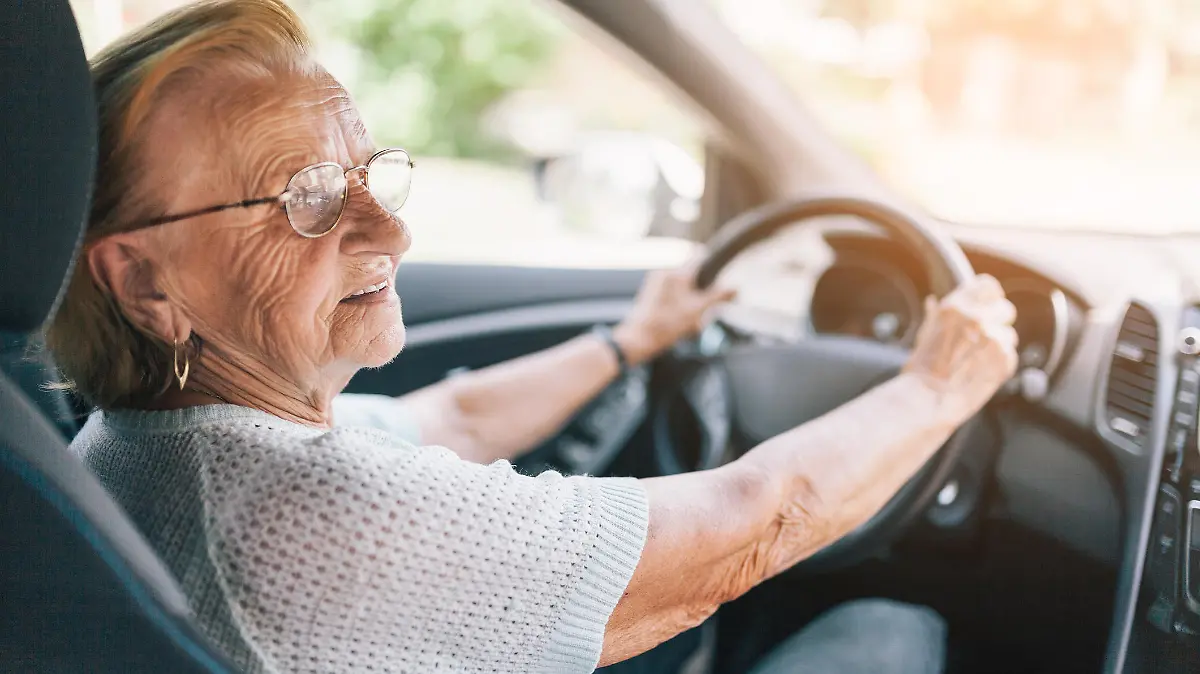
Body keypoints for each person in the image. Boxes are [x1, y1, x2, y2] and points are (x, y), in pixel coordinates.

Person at [45, 1, 1017, 672]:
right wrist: (939, 383)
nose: (391, 230)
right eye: (302, 198)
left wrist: (630, 341)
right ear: (142, 279)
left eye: (369, 173)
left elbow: (454, 416)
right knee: (892, 626)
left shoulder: (146, 444)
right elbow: (753, 520)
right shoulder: (305, 509)